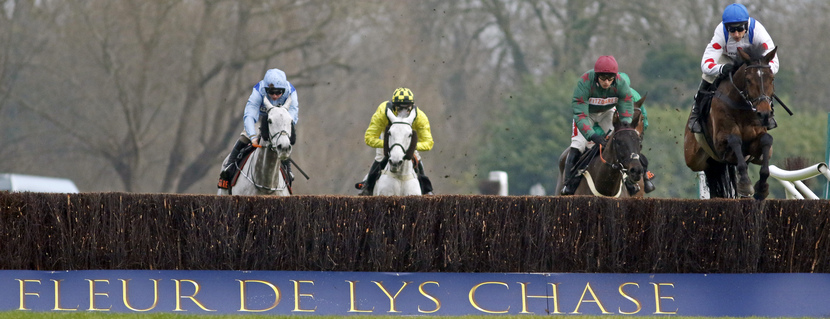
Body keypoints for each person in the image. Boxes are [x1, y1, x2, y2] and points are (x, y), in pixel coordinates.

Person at [689, 3, 779, 133]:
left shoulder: (758, 31)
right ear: (726, 28)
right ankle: (696, 113)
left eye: (740, 29)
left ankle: (769, 113)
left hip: (751, 63)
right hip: (727, 60)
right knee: (708, 75)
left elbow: (774, 62)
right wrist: (721, 68)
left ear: (746, 25)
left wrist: (762, 71)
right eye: (731, 30)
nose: (736, 34)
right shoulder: (720, 33)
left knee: (762, 78)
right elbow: (706, 64)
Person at [560, 55, 637, 196]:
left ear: (615, 77)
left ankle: (629, 181)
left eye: (610, 79)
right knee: (578, 145)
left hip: (608, 112)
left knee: (621, 140)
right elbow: (580, 115)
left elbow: (626, 104)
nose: (606, 82)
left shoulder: (621, 83)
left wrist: (625, 123)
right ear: (596, 76)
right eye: (603, 78)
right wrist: (592, 136)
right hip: (586, 114)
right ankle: (568, 184)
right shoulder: (584, 82)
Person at [218, 68, 299, 189]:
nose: (275, 96)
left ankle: (288, 170)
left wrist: (286, 129)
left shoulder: (291, 92)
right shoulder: (258, 90)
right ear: (265, 89)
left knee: (284, 140)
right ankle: (229, 166)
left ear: (284, 90)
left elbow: (292, 114)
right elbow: (249, 115)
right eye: (271, 92)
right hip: (261, 119)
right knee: (244, 137)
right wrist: (252, 136)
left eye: (279, 92)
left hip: (280, 120)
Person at [356, 87, 435, 195]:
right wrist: (388, 145)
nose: (403, 112)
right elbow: (369, 138)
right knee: (380, 157)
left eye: (407, 108)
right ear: (393, 106)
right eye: (399, 108)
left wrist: (411, 146)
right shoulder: (382, 113)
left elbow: (428, 143)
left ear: (412, 106)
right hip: (389, 138)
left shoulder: (420, 117)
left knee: (417, 158)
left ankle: (427, 191)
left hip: (407, 139)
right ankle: (367, 187)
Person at [620, 72, 655, 194]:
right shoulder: (612, 95)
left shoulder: (634, 95)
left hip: (629, 130)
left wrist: (638, 132)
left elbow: (643, 116)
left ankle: (645, 177)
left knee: (639, 158)